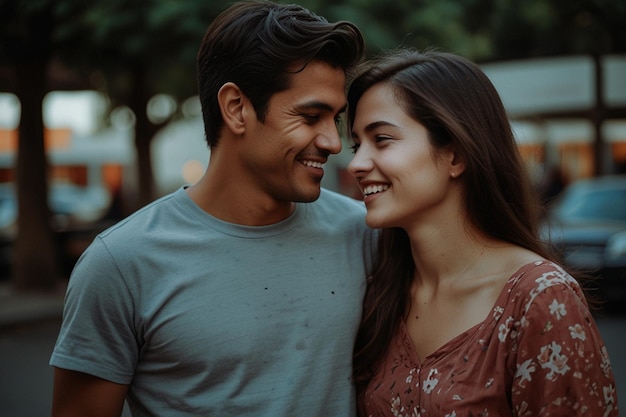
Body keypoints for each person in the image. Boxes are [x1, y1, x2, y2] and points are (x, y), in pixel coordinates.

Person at [49, 1, 376, 416]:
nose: (332, 141)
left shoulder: (363, 233)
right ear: (236, 108)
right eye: (311, 116)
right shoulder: (121, 264)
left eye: (336, 119)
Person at [347, 48, 619, 416]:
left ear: (456, 155)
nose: (357, 164)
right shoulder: (379, 288)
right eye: (356, 144)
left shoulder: (539, 299)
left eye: (381, 139)